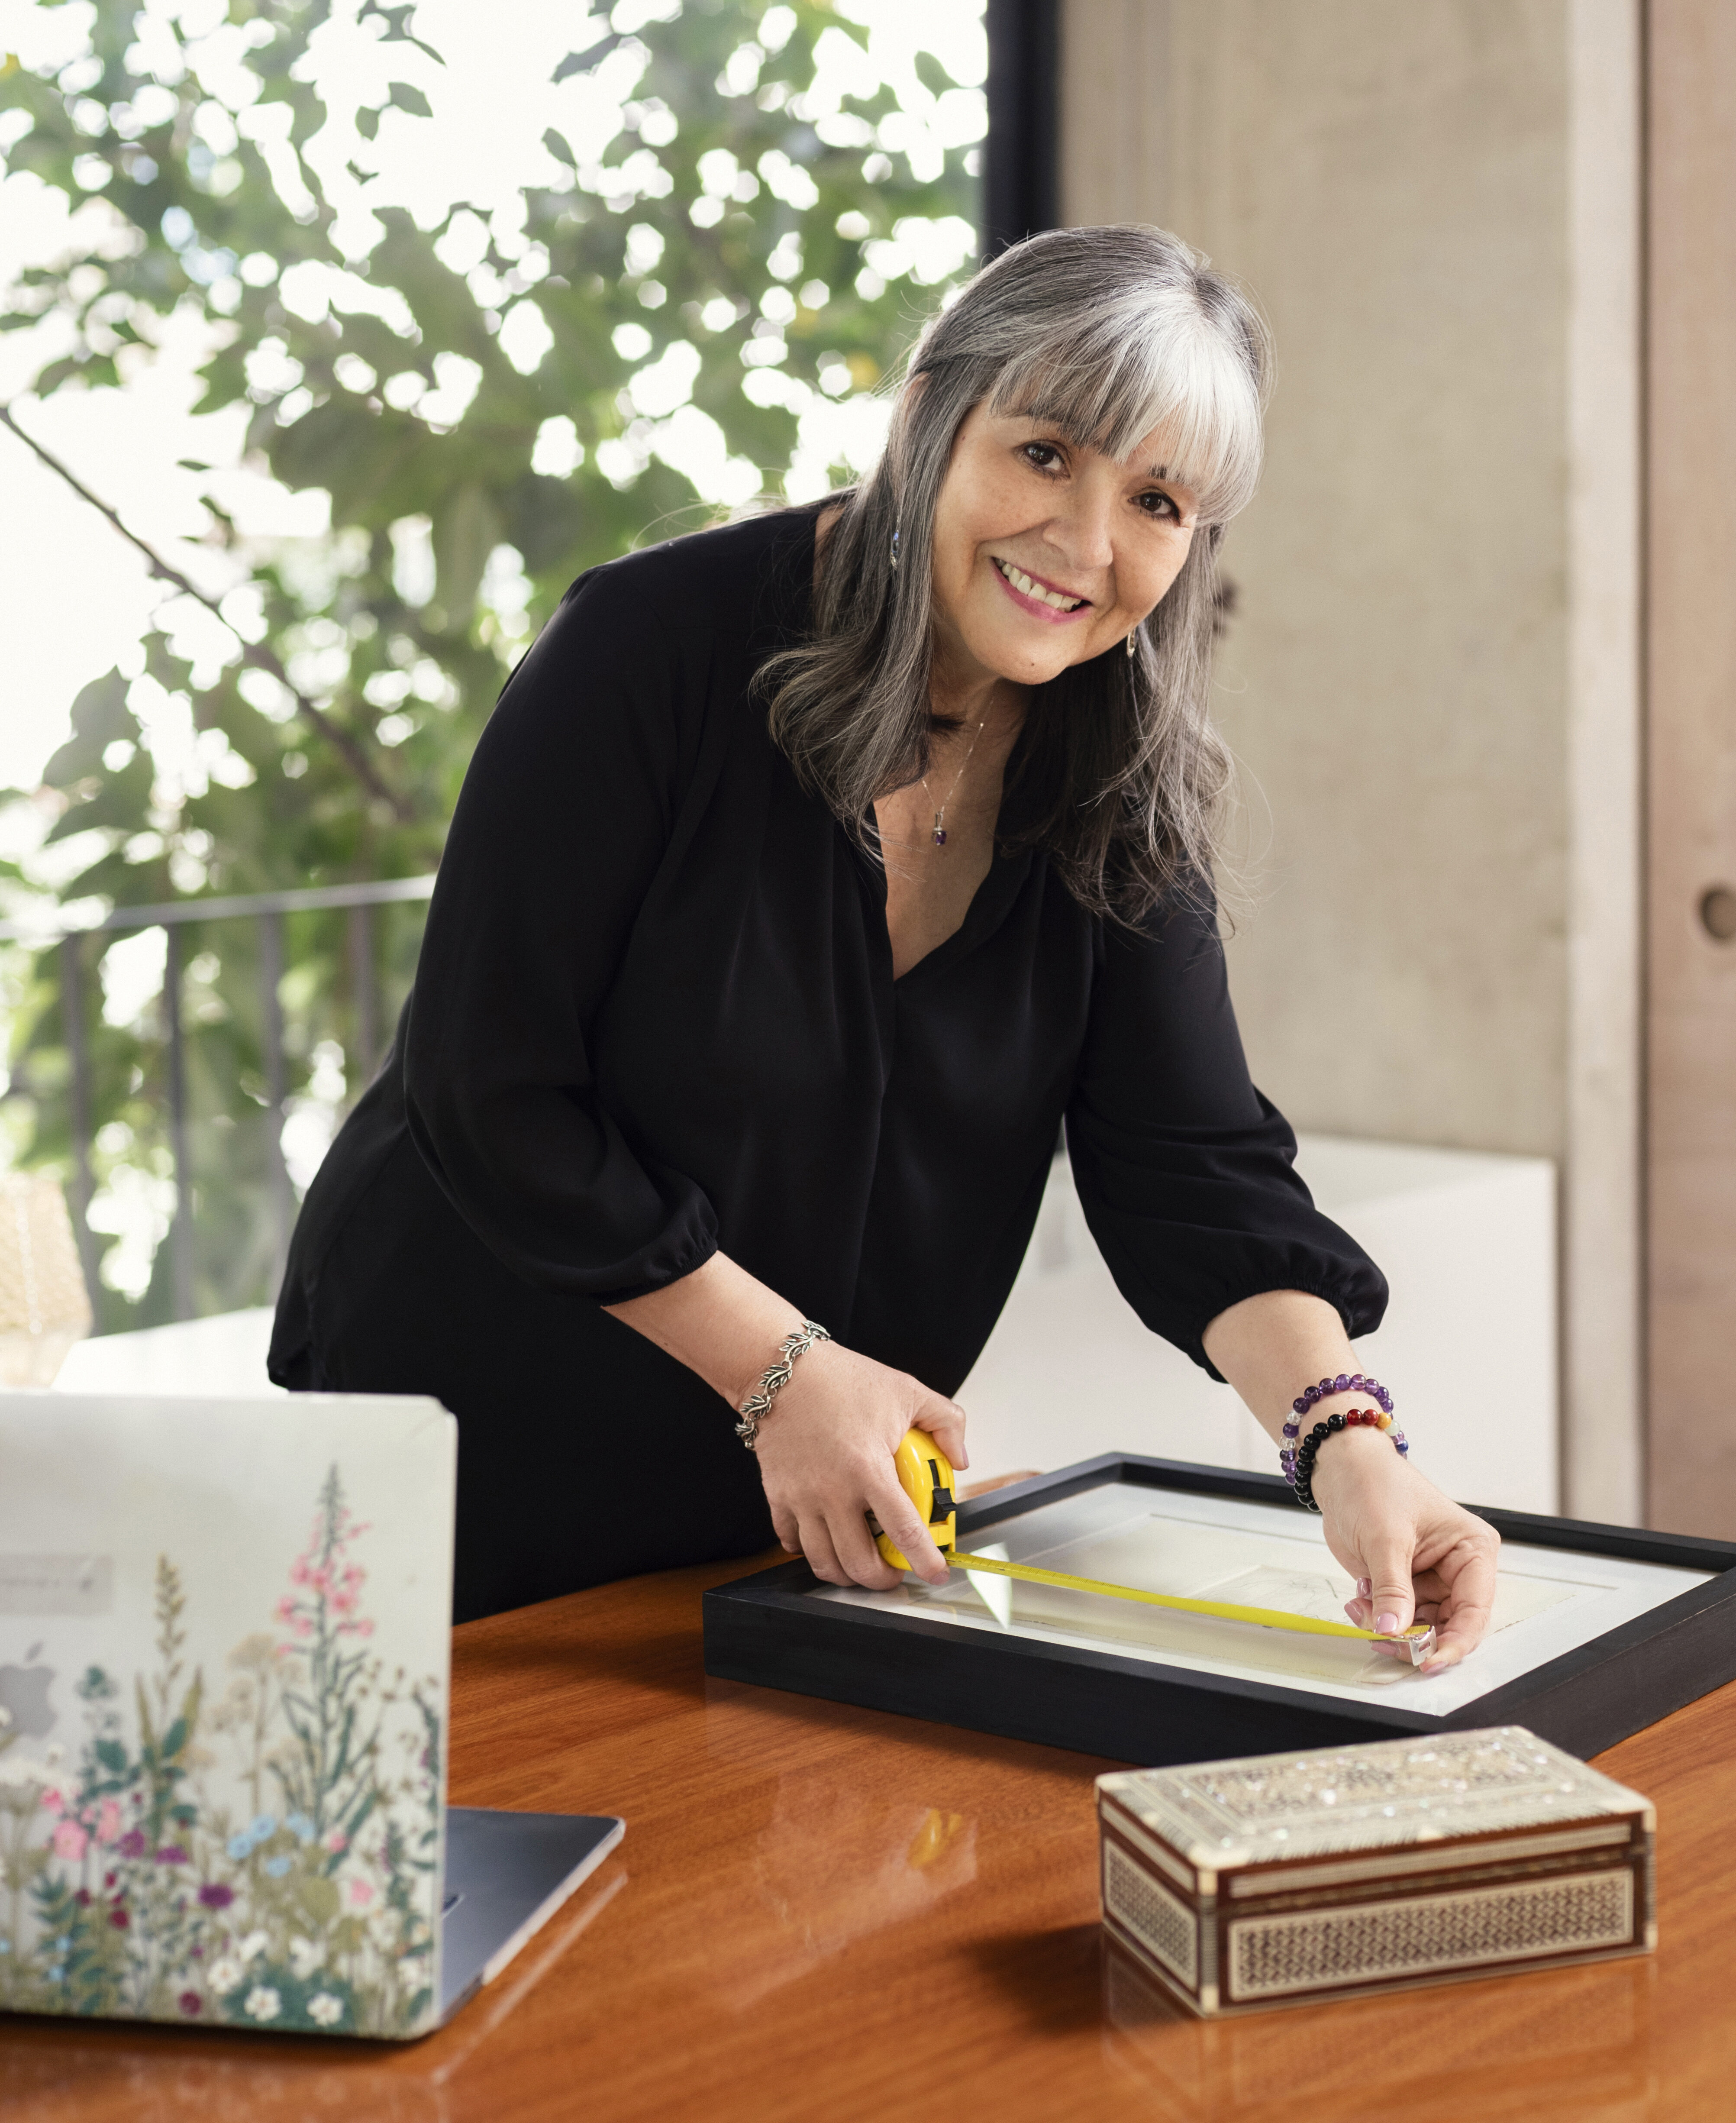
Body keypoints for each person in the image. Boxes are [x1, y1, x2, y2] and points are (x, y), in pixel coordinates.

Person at [270, 224, 1499, 1661]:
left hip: (801, 1499)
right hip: (462, 1449)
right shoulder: (646, 650)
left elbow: (1195, 1166)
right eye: (1045, 454)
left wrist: (1349, 1446)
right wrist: (782, 1374)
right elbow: (493, 1086)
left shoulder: (1118, 775)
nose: (1087, 546)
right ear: (926, 417)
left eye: (1156, 500)